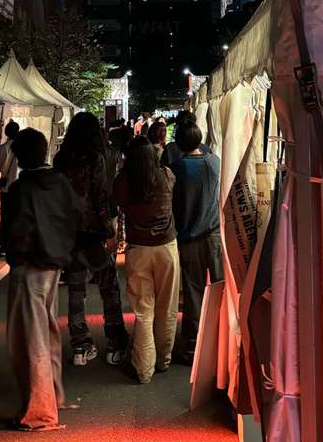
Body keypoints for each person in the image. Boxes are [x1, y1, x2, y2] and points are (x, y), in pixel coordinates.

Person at [2, 128, 85, 431]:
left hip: (29, 267)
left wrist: (16, 255)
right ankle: (54, 396)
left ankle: (40, 412)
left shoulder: (22, 189)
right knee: (48, 333)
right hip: (55, 264)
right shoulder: (60, 182)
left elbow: (17, 230)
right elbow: (78, 214)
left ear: (21, 156)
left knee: (29, 339)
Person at [53, 113, 129, 366]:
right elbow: (100, 198)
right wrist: (110, 231)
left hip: (69, 233)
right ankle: (115, 343)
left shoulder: (61, 158)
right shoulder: (97, 157)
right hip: (93, 233)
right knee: (109, 286)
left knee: (76, 289)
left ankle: (80, 345)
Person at [114, 137, 179, 384]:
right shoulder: (166, 176)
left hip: (138, 249)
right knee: (167, 307)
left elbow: (119, 204)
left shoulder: (122, 181)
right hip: (166, 248)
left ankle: (143, 369)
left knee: (143, 311)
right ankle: (163, 360)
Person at [169, 121, 223, 363]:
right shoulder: (215, 162)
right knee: (220, 287)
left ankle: (193, 346)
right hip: (214, 235)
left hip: (188, 237)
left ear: (178, 143)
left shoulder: (177, 169)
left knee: (193, 291)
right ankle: (221, 342)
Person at [0, 120, 20, 256]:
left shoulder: (2, 148)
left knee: (5, 218)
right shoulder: (23, 149)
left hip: (6, 189)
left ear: (6, 133)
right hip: (20, 189)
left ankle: (4, 246)